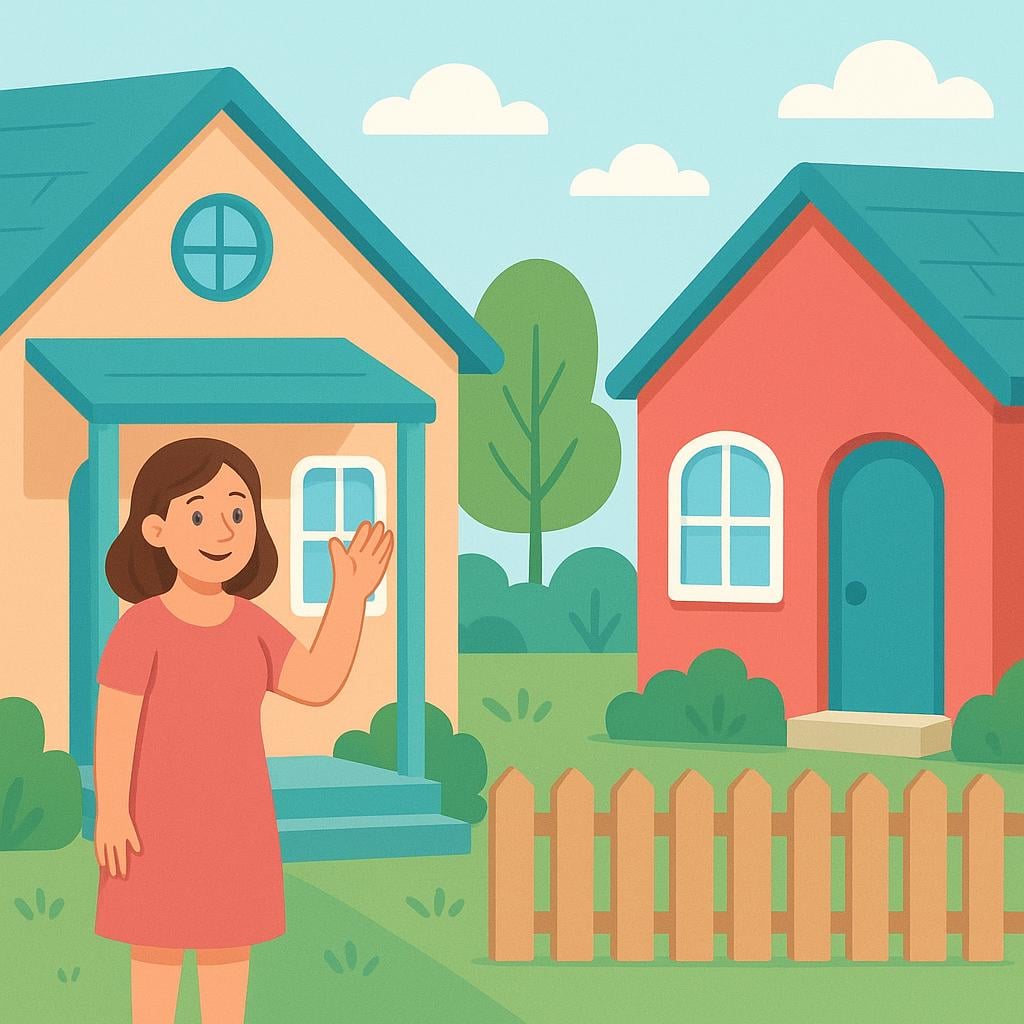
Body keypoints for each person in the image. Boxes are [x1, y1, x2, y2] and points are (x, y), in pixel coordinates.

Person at [92, 437, 393, 1024]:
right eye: (199, 513)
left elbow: (317, 680)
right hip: (154, 829)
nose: (223, 530)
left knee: (228, 959)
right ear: (155, 530)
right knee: (155, 955)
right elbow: (116, 725)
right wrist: (112, 810)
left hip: (235, 830)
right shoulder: (141, 629)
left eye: (238, 511)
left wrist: (350, 596)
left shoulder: (252, 627)